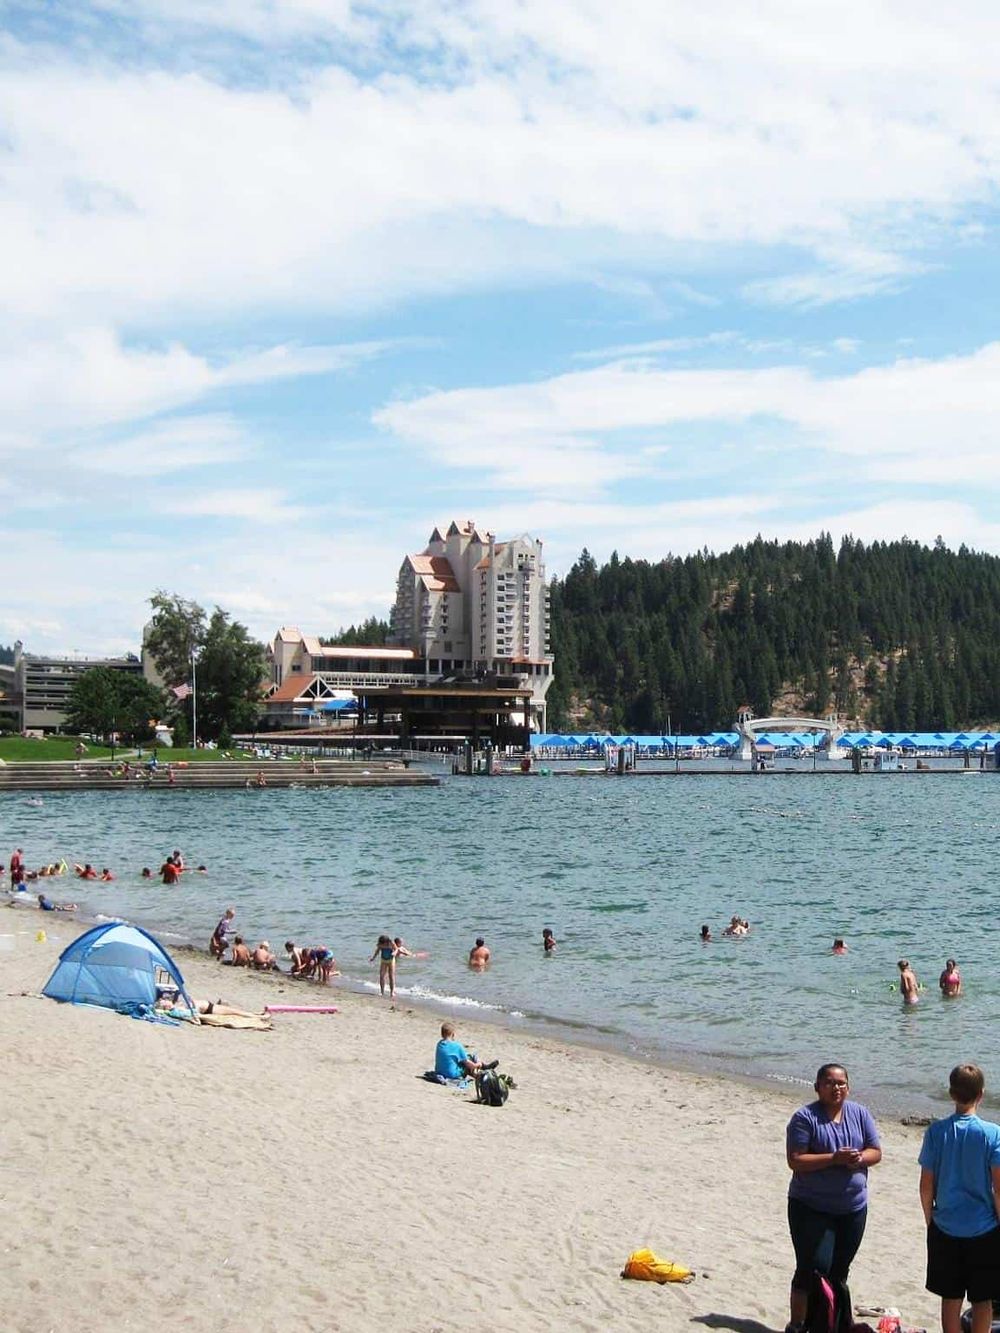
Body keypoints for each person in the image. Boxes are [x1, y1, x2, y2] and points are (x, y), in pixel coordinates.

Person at [785, 1062, 882, 1333]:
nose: (835, 1088)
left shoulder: (860, 1114)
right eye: (829, 1082)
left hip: (853, 1207)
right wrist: (834, 1158)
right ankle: (797, 1324)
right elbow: (795, 1160)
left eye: (841, 1083)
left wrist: (859, 1158)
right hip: (811, 1206)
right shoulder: (805, 1118)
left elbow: (876, 1151)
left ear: (848, 1088)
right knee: (812, 1268)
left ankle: (836, 1323)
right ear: (818, 1087)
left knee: (839, 1271)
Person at [919, 1064, 1000, 1333]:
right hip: (984, 1227)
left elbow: (926, 1186)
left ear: (951, 1093)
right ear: (982, 1094)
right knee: (982, 1299)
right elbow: (998, 1188)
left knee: (951, 1297)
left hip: (945, 1225)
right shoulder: (992, 1133)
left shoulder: (936, 1131)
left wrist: (930, 1219)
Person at [370, 935, 398, 1003]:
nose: (383, 945)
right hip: (383, 960)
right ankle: (382, 992)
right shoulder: (380, 944)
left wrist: (394, 952)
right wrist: (373, 958)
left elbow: (396, 949)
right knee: (382, 976)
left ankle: (392, 992)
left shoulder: (391, 943)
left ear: (387, 941)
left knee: (391, 976)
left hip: (391, 960)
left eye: (384, 943)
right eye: (382, 944)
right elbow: (377, 951)